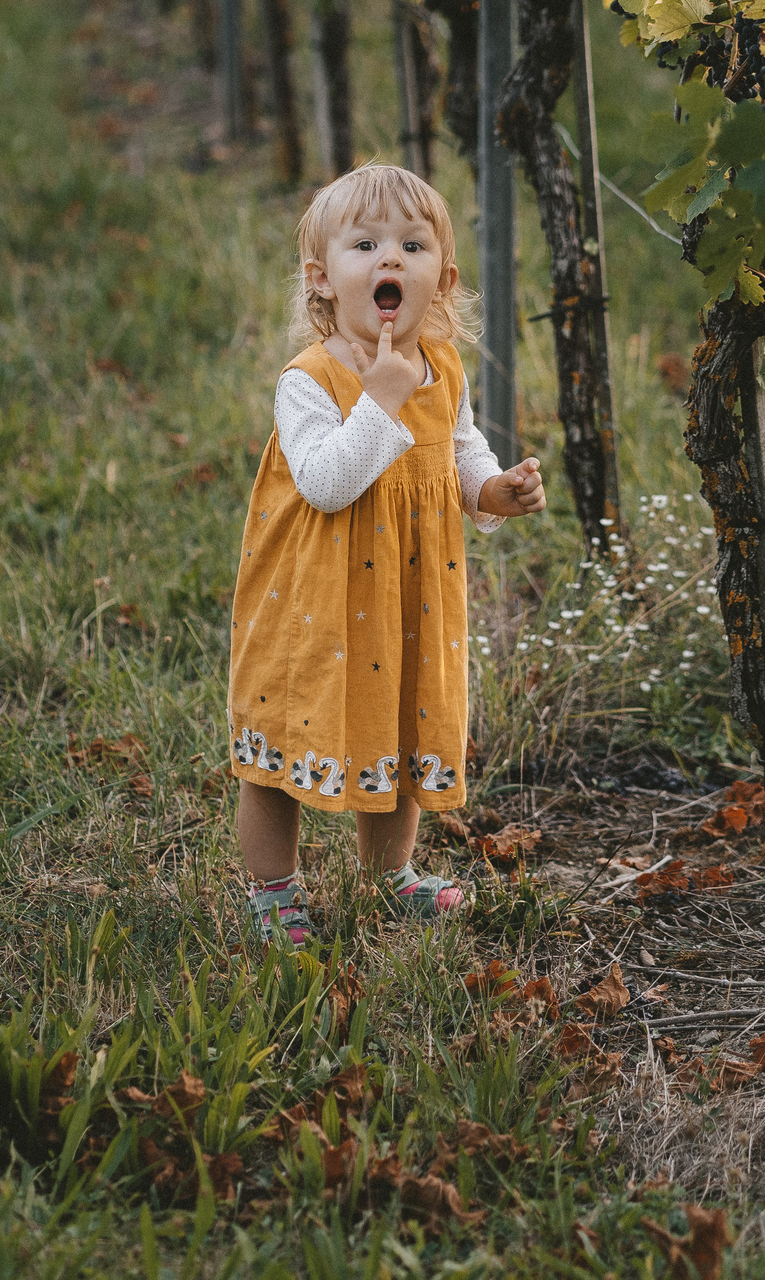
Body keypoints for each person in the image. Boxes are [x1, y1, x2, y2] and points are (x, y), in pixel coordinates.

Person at [226, 163, 548, 946]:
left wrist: (489, 490)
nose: (390, 259)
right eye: (365, 244)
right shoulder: (309, 381)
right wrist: (382, 398)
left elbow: (457, 448)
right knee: (284, 747)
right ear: (324, 279)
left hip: (407, 592)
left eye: (411, 243)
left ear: (442, 278)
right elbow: (330, 484)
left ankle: (389, 875)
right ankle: (273, 890)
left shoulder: (441, 369)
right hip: (314, 603)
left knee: (402, 722)